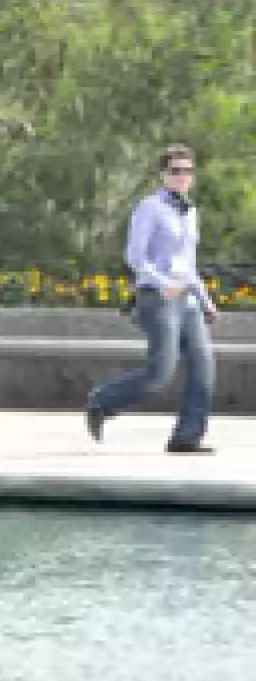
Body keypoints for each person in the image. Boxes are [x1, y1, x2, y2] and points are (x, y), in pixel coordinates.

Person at [85, 145, 219, 455]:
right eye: (175, 171)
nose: (182, 176)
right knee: (161, 372)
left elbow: (187, 265)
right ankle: (102, 401)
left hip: (188, 300)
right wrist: (163, 283)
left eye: (187, 171)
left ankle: (187, 438)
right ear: (163, 175)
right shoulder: (149, 207)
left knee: (203, 366)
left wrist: (206, 299)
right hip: (157, 298)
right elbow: (134, 257)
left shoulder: (191, 212)